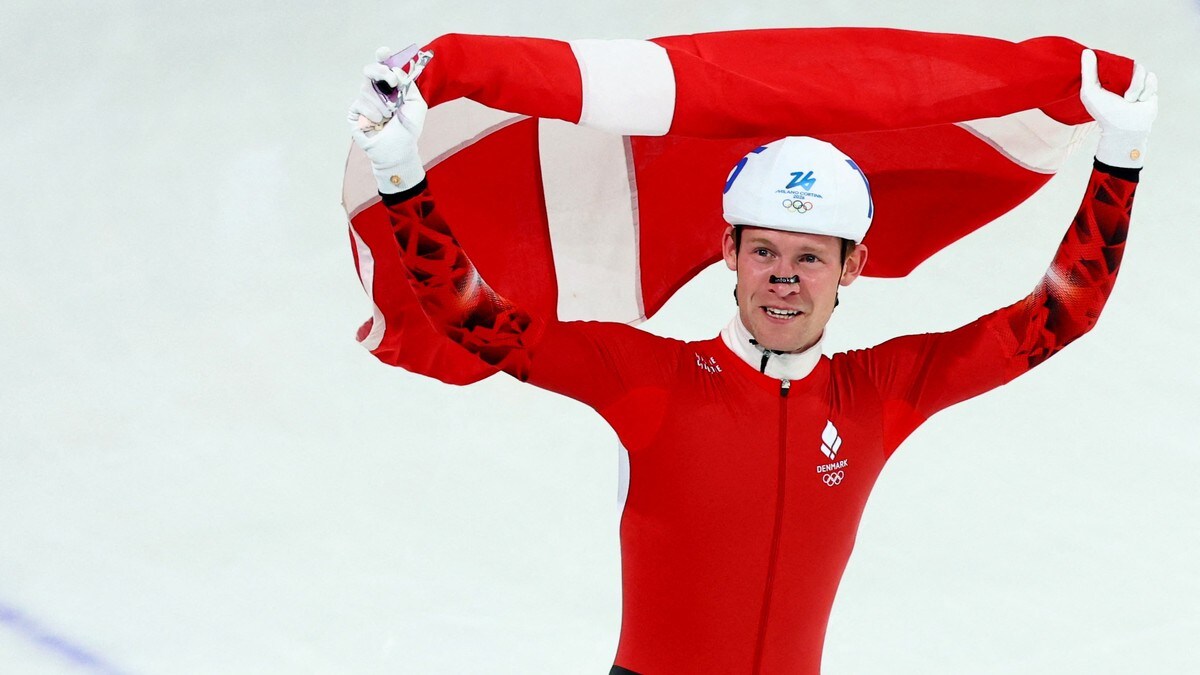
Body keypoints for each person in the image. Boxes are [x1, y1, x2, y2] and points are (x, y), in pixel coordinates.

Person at [346, 47, 1157, 675]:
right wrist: (398, 171)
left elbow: (1058, 313)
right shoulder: (650, 379)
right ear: (728, 250)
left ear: (852, 268)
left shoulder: (876, 394)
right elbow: (474, 319)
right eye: (764, 249)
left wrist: (1119, 160)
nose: (783, 277)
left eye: (810, 257)